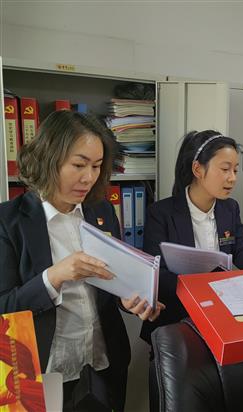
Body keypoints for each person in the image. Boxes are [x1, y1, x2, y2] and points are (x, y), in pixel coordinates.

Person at [0, 110, 163, 411]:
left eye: (97, 166)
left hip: (103, 360)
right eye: (78, 165)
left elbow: (112, 283)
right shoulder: (8, 222)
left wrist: (130, 299)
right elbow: (4, 306)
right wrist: (54, 276)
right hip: (39, 368)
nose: (89, 178)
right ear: (48, 158)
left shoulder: (102, 210)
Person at [140, 130, 243, 343]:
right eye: (225, 169)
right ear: (198, 169)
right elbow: (158, 275)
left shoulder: (229, 208)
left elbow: (240, 250)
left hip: (220, 314)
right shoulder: (161, 213)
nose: (232, 178)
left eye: (235, 170)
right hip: (176, 318)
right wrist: (205, 289)